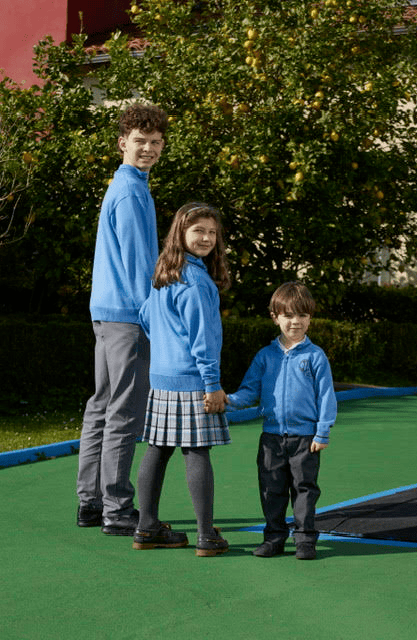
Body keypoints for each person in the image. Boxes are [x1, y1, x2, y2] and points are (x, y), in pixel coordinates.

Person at [76, 103, 168, 536]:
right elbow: (138, 267)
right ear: (122, 143)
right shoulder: (131, 191)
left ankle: (91, 503)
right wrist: (154, 318)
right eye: (140, 141)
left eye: (155, 142)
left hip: (108, 313)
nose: (148, 148)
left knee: (102, 406)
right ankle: (116, 508)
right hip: (128, 316)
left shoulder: (126, 185)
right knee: (124, 411)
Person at [132, 202, 232, 556]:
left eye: (212, 232)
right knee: (196, 451)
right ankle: (207, 536)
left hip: (161, 378)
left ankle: (146, 528)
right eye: (198, 231)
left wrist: (166, 347)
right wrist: (212, 384)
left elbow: (145, 317)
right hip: (191, 380)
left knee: (157, 450)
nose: (206, 238)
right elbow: (203, 340)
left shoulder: (165, 274)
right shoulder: (197, 282)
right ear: (181, 233)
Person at [227, 281, 337, 560]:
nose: (295, 321)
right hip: (271, 438)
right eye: (288, 315)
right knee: (271, 489)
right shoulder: (265, 356)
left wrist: (322, 432)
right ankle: (274, 538)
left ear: (310, 318)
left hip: (305, 439)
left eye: (302, 315)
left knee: (304, 489)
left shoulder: (315, 356)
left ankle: (305, 540)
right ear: (275, 317)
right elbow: (249, 390)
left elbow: (326, 396)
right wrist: (227, 401)